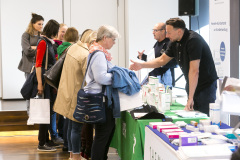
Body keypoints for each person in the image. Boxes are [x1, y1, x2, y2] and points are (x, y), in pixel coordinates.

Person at [130, 18, 218, 115]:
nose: (167, 35)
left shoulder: (193, 41)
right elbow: (162, 60)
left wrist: (190, 98)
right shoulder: (174, 42)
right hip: (192, 83)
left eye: (169, 32)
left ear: (179, 31)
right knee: (193, 116)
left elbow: (194, 70)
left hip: (205, 86)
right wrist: (141, 65)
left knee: (204, 117)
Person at [53, 29, 97, 160]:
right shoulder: (84, 54)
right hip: (76, 95)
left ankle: (72, 154)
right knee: (76, 128)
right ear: (92, 41)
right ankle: (76, 156)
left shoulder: (73, 48)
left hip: (67, 91)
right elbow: (88, 78)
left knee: (71, 127)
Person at [84, 25, 120, 160]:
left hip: (100, 99)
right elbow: (101, 78)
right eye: (113, 39)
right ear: (105, 38)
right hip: (100, 100)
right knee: (102, 135)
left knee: (105, 134)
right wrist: (117, 76)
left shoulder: (98, 52)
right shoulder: (99, 54)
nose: (114, 42)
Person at [35, 19, 60, 151]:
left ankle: (46, 140)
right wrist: (40, 83)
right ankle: (41, 142)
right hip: (44, 81)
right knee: (45, 111)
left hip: (47, 81)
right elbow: (38, 64)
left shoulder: (48, 42)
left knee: (48, 111)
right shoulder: (43, 43)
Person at [18, 13, 44, 114]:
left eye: (42, 24)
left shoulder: (41, 36)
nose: (41, 26)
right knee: (30, 90)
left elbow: (43, 50)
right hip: (29, 66)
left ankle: (41, 113)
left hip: (39, 66)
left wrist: (34, 47)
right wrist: (38, 48)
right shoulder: (25, 35)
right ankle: (30, 113)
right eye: (39, 24)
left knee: (41, 90)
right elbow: (27, 51)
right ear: (32, 24)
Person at [137, 22, 177, 88]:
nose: (153, 32)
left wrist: (161, 63)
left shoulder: (169, 44)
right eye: (153, 30)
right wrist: (143, 57)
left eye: (155, 30)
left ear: (163, 31)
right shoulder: (157, 44)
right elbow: (154, 58)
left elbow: (172, 62)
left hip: (164, 80)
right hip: (154, 78)